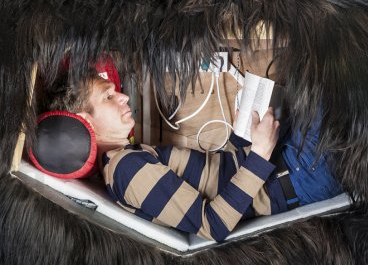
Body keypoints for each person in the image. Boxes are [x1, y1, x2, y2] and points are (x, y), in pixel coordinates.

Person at [49, 72, 342, 242]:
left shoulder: (126, 157)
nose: (124, 97)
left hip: (283, 161)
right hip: (296, 174)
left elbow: (216, 174)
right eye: (109, 97)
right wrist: (261, 155)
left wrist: (241, 135)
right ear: (83, 120)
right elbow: (212, 225)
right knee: (343, 87)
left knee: (316, 74)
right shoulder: (127, 171)